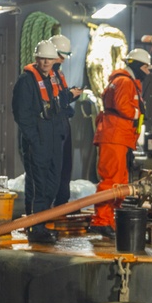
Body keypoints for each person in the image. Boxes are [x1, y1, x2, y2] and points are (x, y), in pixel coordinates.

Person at [11, 39, 70, 243]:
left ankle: (41, 224)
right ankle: (36, 228)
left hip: (53, 140)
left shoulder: (52, 79)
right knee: (39, 186)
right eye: (42, 59)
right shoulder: (26, 82)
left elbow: (58, 105)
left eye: (49, 59)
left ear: (55, 60)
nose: (45, 63)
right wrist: (35, 139)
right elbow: (22, 114)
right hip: (39, 141)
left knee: (52, 184)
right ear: (36, 59)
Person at [90, 48, 152, 238]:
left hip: (119, 137)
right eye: (147, 67)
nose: (148, 72)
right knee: (111, 181)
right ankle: (101, 221)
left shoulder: (123, 81)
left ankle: (109, 220)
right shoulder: (125, 82)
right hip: (114, 137)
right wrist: (139, 113)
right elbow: (123, 106)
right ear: (139, 66)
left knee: (119, 182)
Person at [49, 34, 83, 207]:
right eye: (60, 57)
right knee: (53, 169)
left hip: (63, 123)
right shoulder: (43, 75)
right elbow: (50, 101)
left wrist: (70, 95)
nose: (62, 61)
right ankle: (49, 210)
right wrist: (69, 95)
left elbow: (60, 97)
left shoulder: (58, 73)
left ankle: (62, 205)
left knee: (65, 167)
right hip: (52, 126)